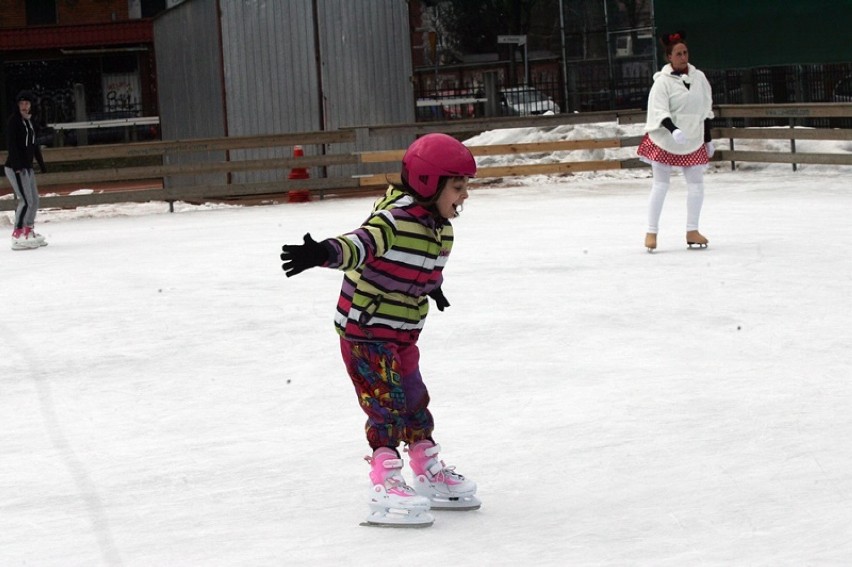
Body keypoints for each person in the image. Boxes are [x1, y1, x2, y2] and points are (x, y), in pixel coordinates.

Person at [279, 133, 480, 527]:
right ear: (428, 183)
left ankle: (426, 468)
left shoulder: (442, 229)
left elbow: (420, 264)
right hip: (366, 333)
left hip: (403, 332)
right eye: (458, 186)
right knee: (384, 406)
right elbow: (360, 245)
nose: (465, 195)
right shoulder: (392, 221)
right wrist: (323, 252)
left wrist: (432, 288)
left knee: (414, 400)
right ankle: (384, 480)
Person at [637, 31, 715, 252]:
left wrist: (707, 139)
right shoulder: (662, 83)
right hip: (666, 140)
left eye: (685, 52)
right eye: (678, 54)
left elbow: (704, 110)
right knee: (661, 184)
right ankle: (651, 232)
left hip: (692, 139)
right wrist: (672, 129)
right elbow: (659, 109)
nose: (683, 56)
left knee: (697, 184)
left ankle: (692, 230)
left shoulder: (699, 78)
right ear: (669, 57)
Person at [5, 89, 48, 251]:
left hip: (27, 167)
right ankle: (17, 233)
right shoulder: (13, 122)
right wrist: (17, 167)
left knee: (35, 200)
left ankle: (28, 230)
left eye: (27, 103)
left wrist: (41, 164)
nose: (24, 106)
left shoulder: (30, 122)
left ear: (31, 105)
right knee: (26, 200)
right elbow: (12, 146)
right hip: (16, 167)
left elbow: (34, 145)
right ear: (17, 105)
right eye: (21, 103)